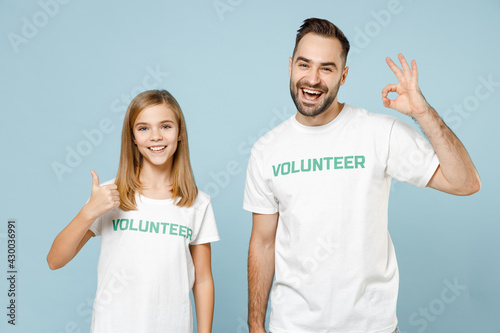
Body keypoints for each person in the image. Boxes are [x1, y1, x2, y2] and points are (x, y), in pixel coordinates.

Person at [244, 18, 480, 333]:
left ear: (344, 75)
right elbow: (262, 243)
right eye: (304, 65)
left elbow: (466, 183)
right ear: (290, 66)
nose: (312, 79)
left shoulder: (378, 133)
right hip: (292, 326)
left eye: (326, 68)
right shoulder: (267, 150)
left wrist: (423, 113)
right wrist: (255, 323)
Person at [47, 90, 220, 333]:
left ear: (180, 133)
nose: (156, 137)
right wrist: (88, 212)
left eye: (166, 126)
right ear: (133, 137)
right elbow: (55, 260)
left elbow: (202, 279)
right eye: (143, 128)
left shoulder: (197, 202)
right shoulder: (109, 195)